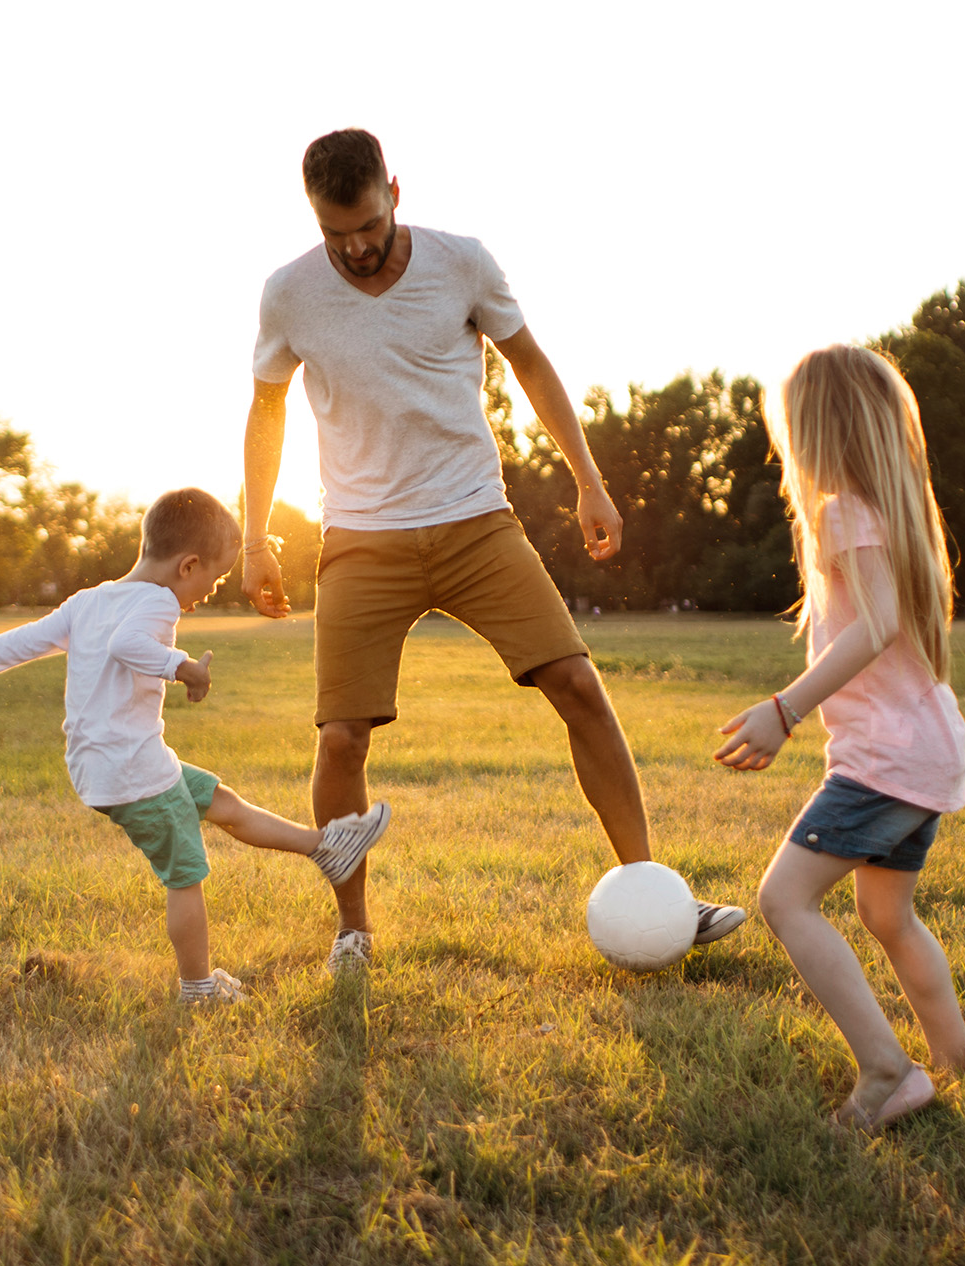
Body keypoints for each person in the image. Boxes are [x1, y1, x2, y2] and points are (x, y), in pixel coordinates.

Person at [242, 128, 745, 972]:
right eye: (338, 235)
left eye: (368, 224)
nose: (357, 248)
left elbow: (532, 365)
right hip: (362, 539)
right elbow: (266, 410)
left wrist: (588, 478)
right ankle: (353, 931)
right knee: (340, 740)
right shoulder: (289, 293)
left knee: (579, 684)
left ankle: (657, 891)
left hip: (476, 519)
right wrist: (253, 534)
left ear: (394, 191)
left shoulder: (463, 263)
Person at [0, 488, 390, 1004]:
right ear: (188, 565)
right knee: (185, 873)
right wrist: (182, 667)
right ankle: (198, 988)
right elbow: (127, 646)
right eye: (214, 578)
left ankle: (326, 849)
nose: (209, 591)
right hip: (134, 771)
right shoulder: (157, 600)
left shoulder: (88, 601)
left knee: (218, 800)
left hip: (108, 766)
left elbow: (20, 643)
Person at [714, 345, 965, 1131]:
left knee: (784, 899)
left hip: (886, 762)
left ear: (816, 433)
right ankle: (959, 1064)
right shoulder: (891, 514)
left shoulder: (843, 513)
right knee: (888, 918)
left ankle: (889, 1073)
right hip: (925, 753)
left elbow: (875, 628)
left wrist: (784, 710)